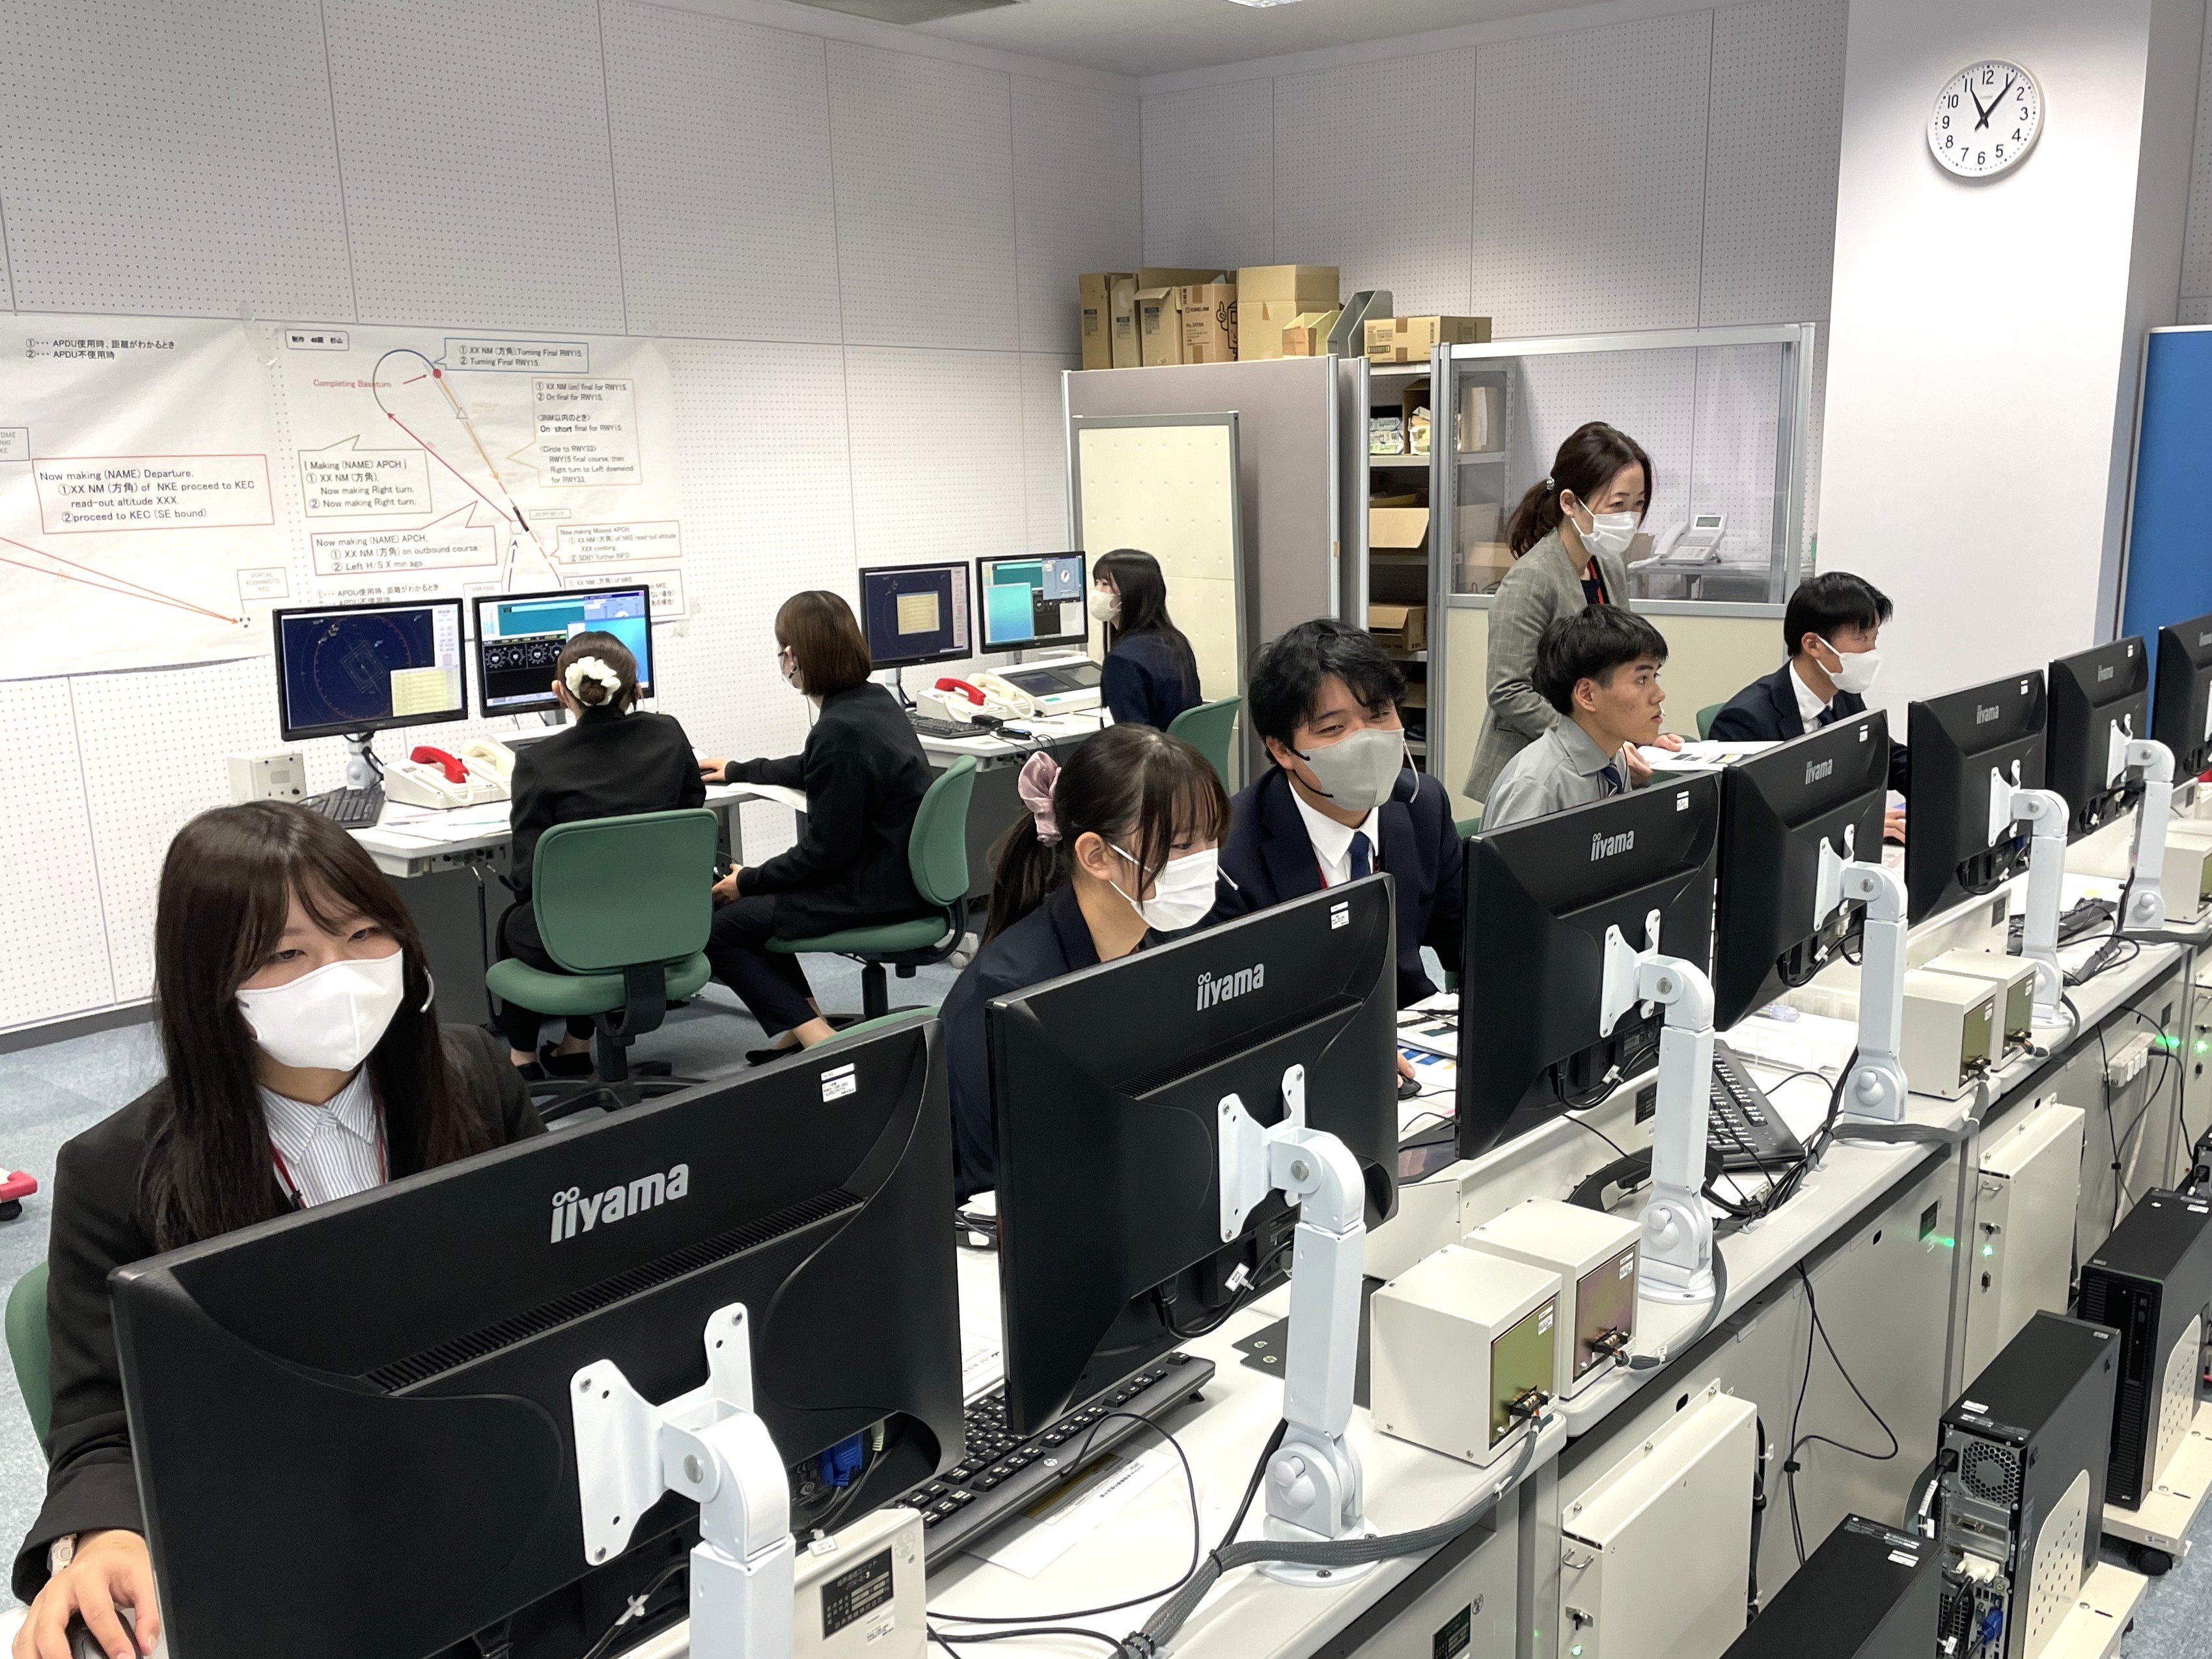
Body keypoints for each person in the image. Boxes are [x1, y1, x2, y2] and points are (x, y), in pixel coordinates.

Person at [14, 802, 541, 1659]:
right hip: (296, 1552)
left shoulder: (476, 1078)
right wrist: (105, 1537)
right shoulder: (114, 1174)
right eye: (286, 954)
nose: (340, 974)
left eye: (364, 933)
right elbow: (103, 1424)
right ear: (209, 981)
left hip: (493, 1488)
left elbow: (568, 1278)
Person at [943, 726, 1229, 1200]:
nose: (1205, 861)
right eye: (1182, 845)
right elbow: (1003, 1186)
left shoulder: (1169, 940)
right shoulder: (1013, 997)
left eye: (1211, 838)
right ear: (1097, 855)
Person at [697, 591, 933, 1063]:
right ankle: (804, 1020)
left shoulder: (839, 729)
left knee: (720, 928)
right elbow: (813, 766)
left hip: (870, 892)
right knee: (752, 906)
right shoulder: (872, 702)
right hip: (895, 876)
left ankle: (820, 1042)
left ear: (794, 658)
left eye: (782, 651)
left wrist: (748, 880)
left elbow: (825, 852)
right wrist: (741, 770)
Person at [1217, 620, 1463, 1019]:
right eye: (1333, 728)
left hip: (1409, 1029)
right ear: (1282, 750)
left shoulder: (1423, 805)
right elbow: (1228, 1017)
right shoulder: (1229, 851)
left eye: (1380, 714)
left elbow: (1468, 942)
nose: (1364, 740)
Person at [496, 631, 706, 1076]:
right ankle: (574, 1046)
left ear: (561, 692)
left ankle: (522, 1060)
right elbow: (692, 810)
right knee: (580, 915)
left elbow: (526, 880)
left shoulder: (539, 761)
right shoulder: (668, 734)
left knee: (516, 922)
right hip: (670, 927)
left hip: (584, 938)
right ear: (636, 689)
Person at [1464, 422, 1680, 806]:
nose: (1630, 517)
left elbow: (1617, 671)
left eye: (1638, 504)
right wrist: (1595, 741)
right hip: (1535, 771)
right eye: (1618, 504)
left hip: (1594, 763)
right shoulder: (1532, 579)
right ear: (1569, 503)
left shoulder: (1609, 565)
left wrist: (1636, 734)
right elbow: (1508, 690)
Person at [1708, 571, 1909, 838]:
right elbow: (1749, 823)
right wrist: (1851, 824)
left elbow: (1884, 755)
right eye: (1862, 639)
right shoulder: (1746, 721)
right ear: (1813, 645)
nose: (1872, 652)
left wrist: (1942, 776)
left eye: (1875, 638)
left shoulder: (1844, 695)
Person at [1484, 607, 1670, 830]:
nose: (1659, 695)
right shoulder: (1536, 787)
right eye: (1642, 679)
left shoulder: (1613, 760)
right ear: (1587, 695)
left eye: (1655, 676)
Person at [1092, 548, 1202, 730]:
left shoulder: (1122, 660)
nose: (1097, 591)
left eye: (1105, 584)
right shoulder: (1176, 642)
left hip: (1152, 748)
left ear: (1132, 591)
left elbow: (1135, 738)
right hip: (1178, 747)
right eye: (1096, 582)